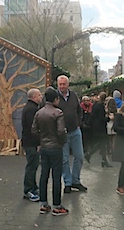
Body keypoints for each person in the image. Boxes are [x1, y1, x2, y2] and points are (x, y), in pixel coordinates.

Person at [32, 87, 68, 216]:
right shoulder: (58, 113)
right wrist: (61, 141)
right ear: (56, 99)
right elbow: (61, 131)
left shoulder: (39, 113)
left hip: (44, 147)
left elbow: (34, 130)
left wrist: (41, 141)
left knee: (44, 175)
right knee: (56, 176)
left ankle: (43, 203)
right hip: (55, 147)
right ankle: (57, 205)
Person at [56, 75, 87, 193]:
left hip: (75, 130)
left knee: (79, 156)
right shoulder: (55, 96)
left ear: (68, 84)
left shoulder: (73, 95)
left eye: (64, 84)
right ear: (58, 85)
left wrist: (79, 122)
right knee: (64, 159)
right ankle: (68, 183)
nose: (62, 86)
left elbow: (79, 110)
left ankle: (76, 181)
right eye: (60, 84)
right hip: (62, 133)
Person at [21, 88, 42, 202]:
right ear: (34, 97)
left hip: (30, 141)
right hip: (31, 143)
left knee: (34, 165)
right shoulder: (31, 110)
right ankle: (28, 190)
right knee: (31, 166)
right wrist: (38, 142)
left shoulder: (30, 108)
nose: (41, 97)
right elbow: (32, 128)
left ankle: (33, 187)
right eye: (39, 95)